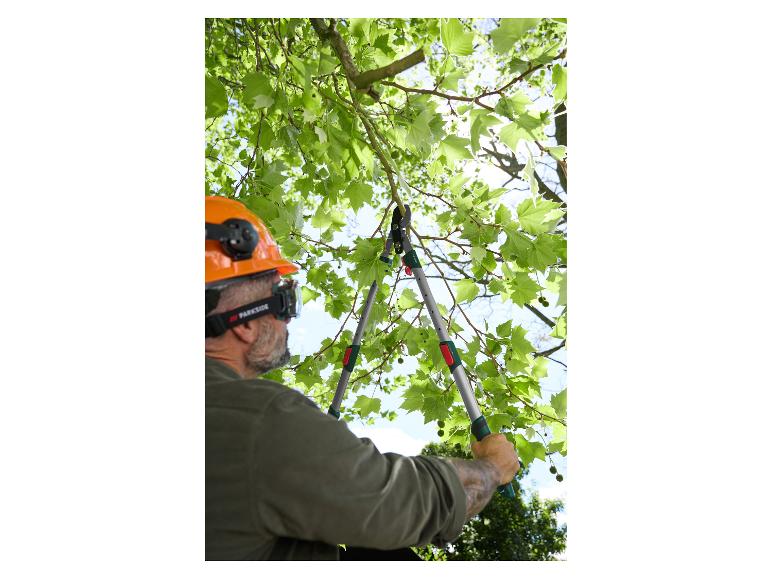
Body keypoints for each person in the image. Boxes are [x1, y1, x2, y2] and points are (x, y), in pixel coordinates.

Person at [205, 195, 519, 560]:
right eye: (284, 300)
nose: (289, 319)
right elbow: (411, 505)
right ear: (243, 322)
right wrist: (493, 467)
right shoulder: (258, 421)